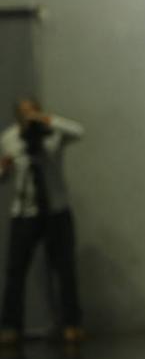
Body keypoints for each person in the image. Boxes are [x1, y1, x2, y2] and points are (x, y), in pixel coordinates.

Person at [0, 98, 86, 345]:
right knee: (15, 271)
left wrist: (46, 120)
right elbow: (4, 173)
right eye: (24, 113)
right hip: (24, 212)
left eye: (33, 111)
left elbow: (79, 131)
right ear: (17, 117)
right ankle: (10, 326)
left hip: (56, 210)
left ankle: (72, 323)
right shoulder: (9, 138)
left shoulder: (53, 134)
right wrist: (4, 168)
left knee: (65, 269)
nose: (28, 116)